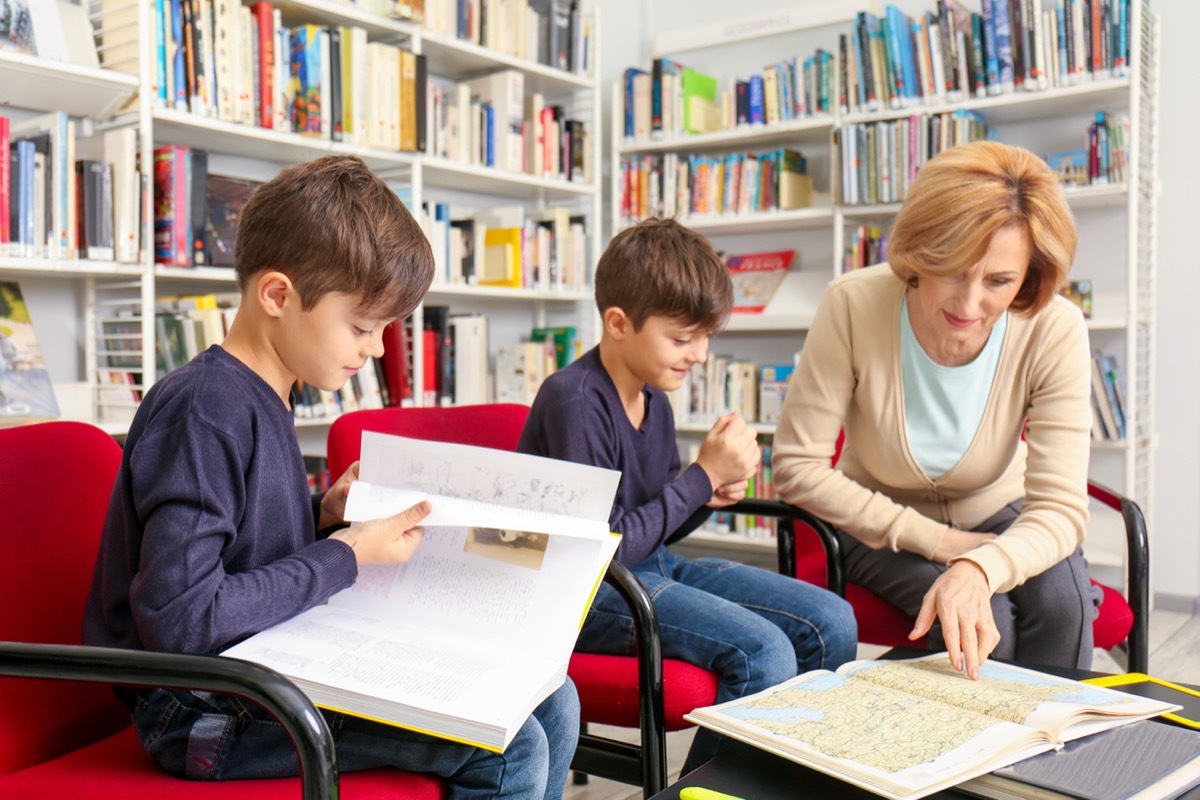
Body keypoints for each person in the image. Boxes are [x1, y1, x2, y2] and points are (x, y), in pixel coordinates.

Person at [83, 155, 579, 799]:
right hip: (200, 709)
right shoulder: (206, 407)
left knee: (554, 700)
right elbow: (183, 619)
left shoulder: (265, 389)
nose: (375, 350)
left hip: (263, 664)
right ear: (278, 296)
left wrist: (321, 513)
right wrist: (344, 553)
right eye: (362, 327)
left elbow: (232, 541)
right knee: (509, 748)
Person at [517, 217, 857, 775]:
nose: (699, 354)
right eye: (682, 338)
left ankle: (792, 782)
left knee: (831, 620)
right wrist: (699, 479)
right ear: (618, 323)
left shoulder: (657, 398)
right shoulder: (573, 399)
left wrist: (708, 495)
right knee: (763, 652)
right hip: (585, 592)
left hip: (649, 569)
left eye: (704, 337)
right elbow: (606, 548)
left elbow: (654, 525)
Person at [772, 140, 1102, 679]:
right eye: (951, 269)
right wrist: (942, 543)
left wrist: (980, 562)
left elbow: (1060, 510)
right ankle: (959, 760)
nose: (969, 305)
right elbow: (796, 467)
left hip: (1000, 509)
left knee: (1065, 612)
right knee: (985, 624)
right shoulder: (851, 304)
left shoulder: (1054, 326)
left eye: (999, 281)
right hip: (878, 521)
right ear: (920, 252)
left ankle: (1046, 759)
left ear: (1029, 276)